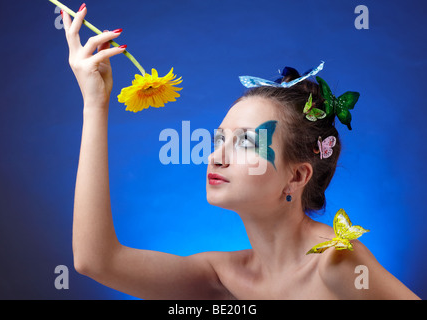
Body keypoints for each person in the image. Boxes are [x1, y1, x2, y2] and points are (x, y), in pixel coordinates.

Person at [63, 6, 420, 299]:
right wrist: (95, 103)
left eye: (247, 142)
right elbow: (97, 261)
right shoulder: (223, 277)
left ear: (296, 176)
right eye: (219, 139)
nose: (215, 157)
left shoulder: (336, 262)